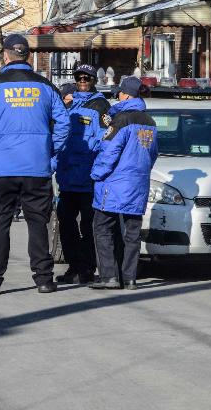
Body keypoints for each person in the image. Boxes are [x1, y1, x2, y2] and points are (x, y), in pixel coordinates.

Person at [0, 34, 69, 295]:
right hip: (36, 166)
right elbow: (64, 125)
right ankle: (44, 279)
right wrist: (50, 154)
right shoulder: (46, 86)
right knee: (38, 223)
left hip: (0, 168)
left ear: (6, 55)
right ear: (28, 56)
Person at [90, 76, 157, 290]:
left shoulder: (120, 119)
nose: (117, 95)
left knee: (102, 227)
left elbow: (109, 152)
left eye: (119, 92)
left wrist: (96, 174)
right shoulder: (149, 121)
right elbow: (153, 153)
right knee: (132, 233)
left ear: (126, 94)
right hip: (138, 184)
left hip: (115, 183)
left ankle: (109, 276)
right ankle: (130, 278)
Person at [54, 82, 103, 284]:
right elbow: (58, 142)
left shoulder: (100, 107)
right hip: (67, 181)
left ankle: (87, 268)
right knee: (65, 224)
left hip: (88, 181)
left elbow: (104, 144)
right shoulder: (68, 111)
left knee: (89, 227)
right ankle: (74, 267)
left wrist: (98, 173)